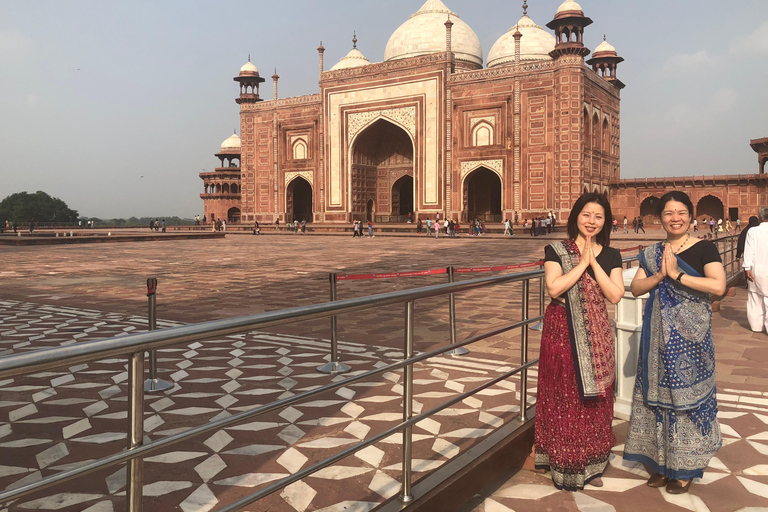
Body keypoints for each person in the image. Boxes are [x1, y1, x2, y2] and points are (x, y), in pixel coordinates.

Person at [624, 191, 726, 495]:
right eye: (669, 213)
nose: (675, 218)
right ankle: (660, 464)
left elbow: (718, 285)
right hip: (656, 339)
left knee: (685, 401)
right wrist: (659, 277)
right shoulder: (654, 252)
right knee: (655, 398)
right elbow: (635, 286)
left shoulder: (704, 248)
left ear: (691, 216)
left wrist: (677, 275)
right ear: (660, 218)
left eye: (681, 212)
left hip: (691, 342)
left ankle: (684, 468)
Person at [535, 192, 624, 491]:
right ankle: (562, 460)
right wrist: (581, 262)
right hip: (561, 330)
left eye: (598, 217)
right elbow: (554, 287)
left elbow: (615, 294)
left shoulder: (611, 255)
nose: (592, 221)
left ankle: (592, 460)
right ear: (576, 216)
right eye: (586, 215)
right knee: (564, 394)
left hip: (596, 334)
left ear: (605, 222)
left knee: (595, 398)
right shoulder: (556, 250)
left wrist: (593, 262)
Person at [743, 208, 768, 333]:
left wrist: (747, 267)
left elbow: (749, 250)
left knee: (755, 298)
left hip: (756, 269)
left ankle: (756, 327)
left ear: (760, 217)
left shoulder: (753, 231)